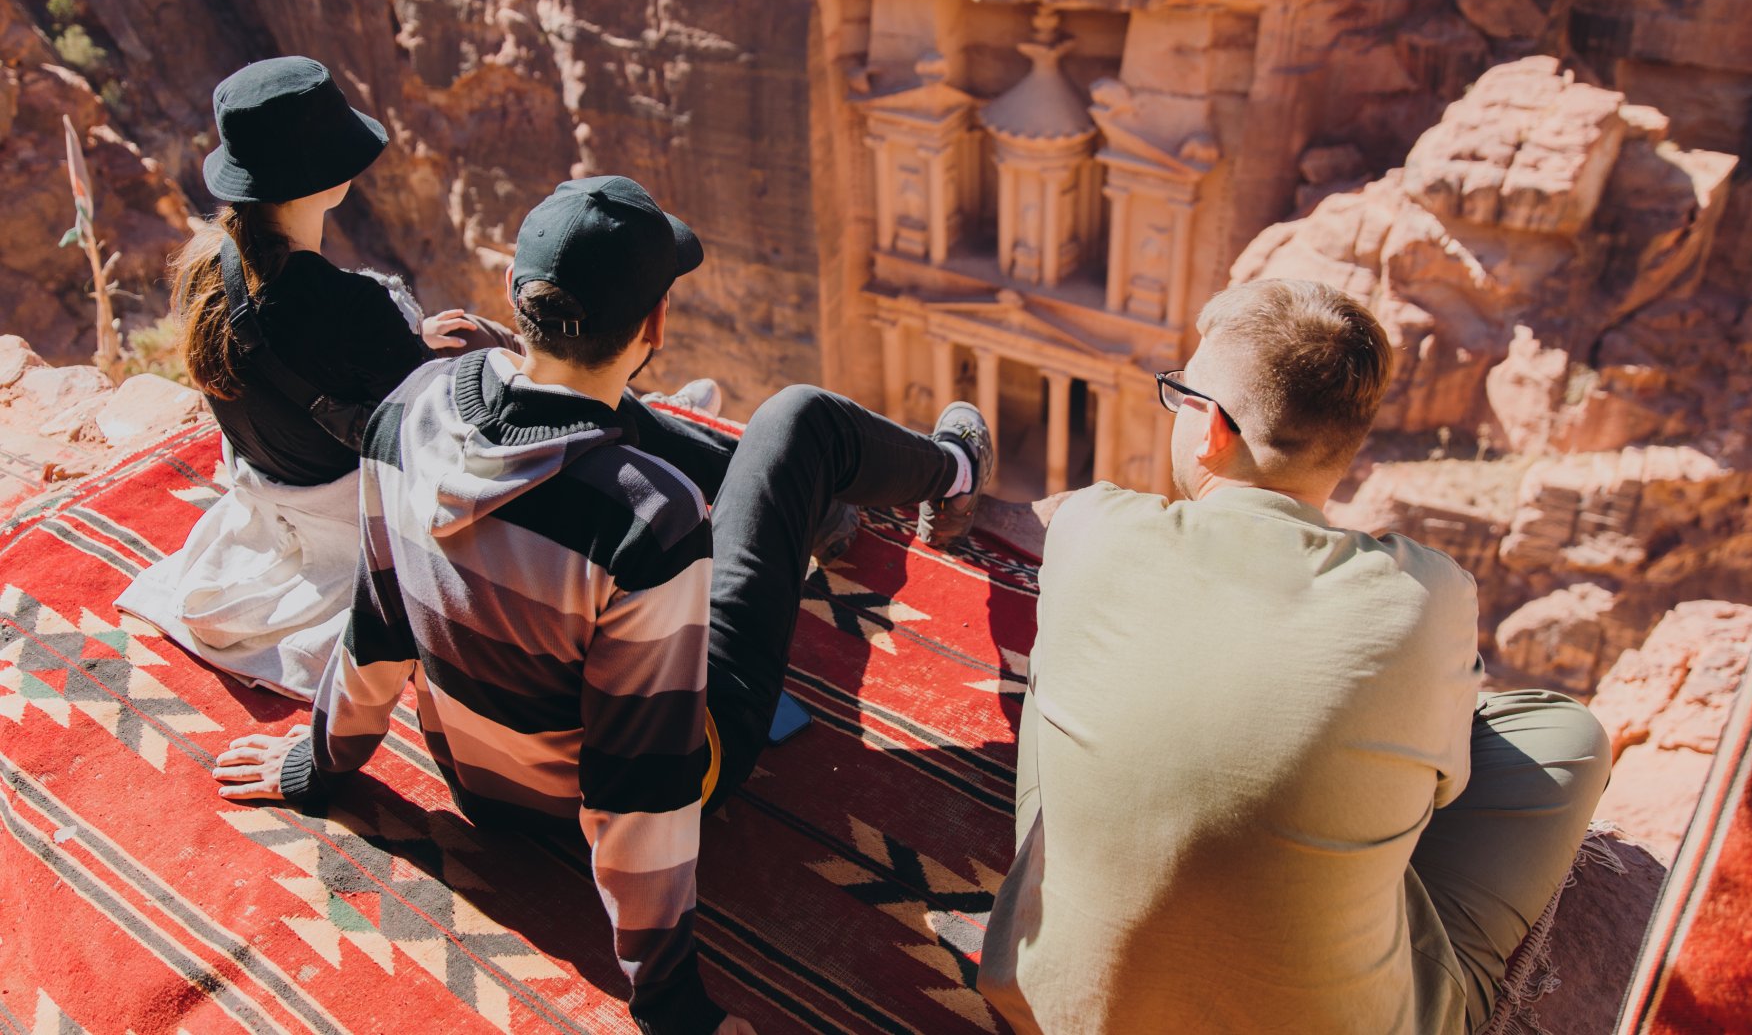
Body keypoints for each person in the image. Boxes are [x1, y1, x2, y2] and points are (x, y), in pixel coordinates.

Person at [207, 175, 995, 1034]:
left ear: (518, 294)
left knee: (617, 417)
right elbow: (640, 785)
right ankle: (952, 468)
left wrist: (320, 764)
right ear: (654, 326)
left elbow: (379, 619)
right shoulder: (649, 518)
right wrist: (669, 1005)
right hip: (664, 776)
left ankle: (803, 503)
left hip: (478, 785)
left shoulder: (406, 412)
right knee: (799, 421)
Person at [977, 279, 1611, 1034]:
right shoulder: (1429, 596)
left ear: (1209, 427)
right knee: (1567, 737)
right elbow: (1445, 792)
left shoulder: (1091, 526)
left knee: (1063, 666)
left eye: (1179, 395)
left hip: (1050, 1004)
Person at [116, 55, 517, 699]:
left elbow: (298, 356)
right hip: (341, 495)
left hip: (277, 471)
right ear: (322, 180)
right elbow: (429, 434)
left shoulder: (203, 267)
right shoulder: (352, 307)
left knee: (449, 340)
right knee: (480, 347)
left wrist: (408, 340)